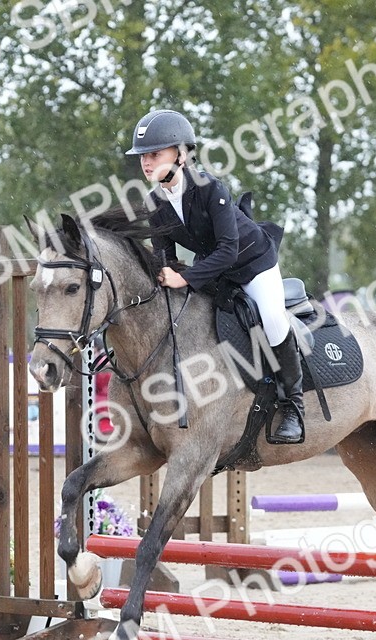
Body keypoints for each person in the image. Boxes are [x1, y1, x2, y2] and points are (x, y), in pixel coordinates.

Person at [126, 108, 304, 444]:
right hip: (216, 270)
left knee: (273, 319)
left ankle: (294, 405)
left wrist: (187, 279)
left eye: (154, 154)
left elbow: (228, 249)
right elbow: (166, 257)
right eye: (142, 157)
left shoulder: (209, 187)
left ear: (180, 155)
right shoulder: (154, 202)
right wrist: (163, 279)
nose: (146, 163)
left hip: (252, 263)